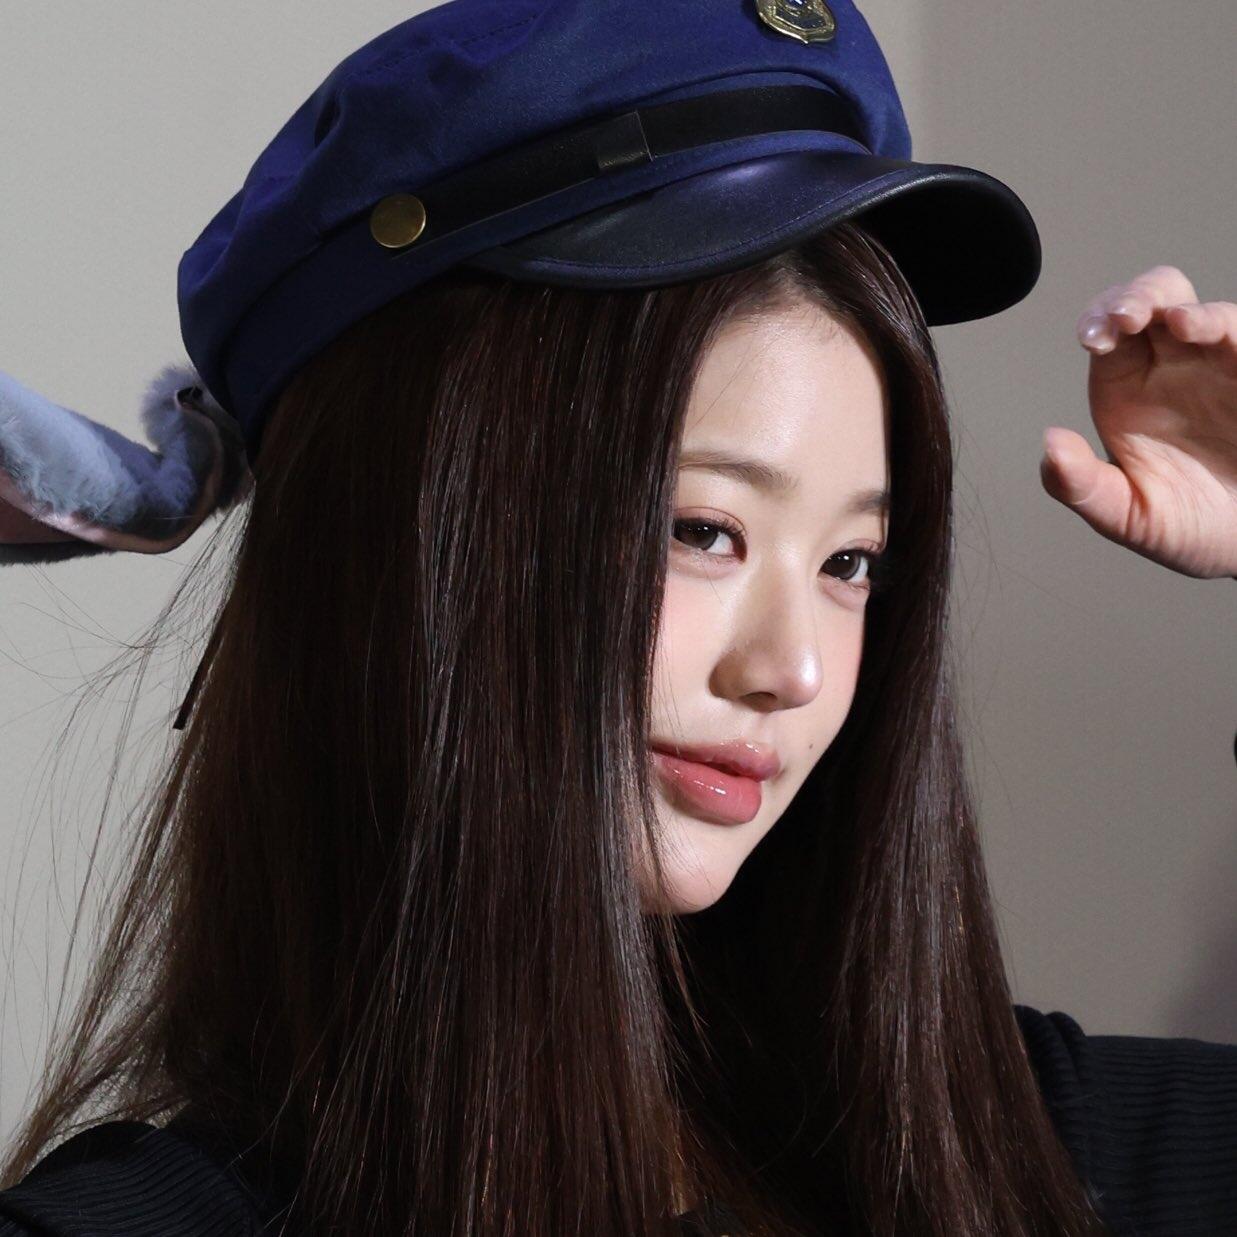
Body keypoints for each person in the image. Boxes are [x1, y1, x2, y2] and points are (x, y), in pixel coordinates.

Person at [0, 2, 1234, 1234]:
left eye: (853, 560)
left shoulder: (1003, 1147)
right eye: (702, 531)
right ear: (404, 533)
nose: (792, 669)